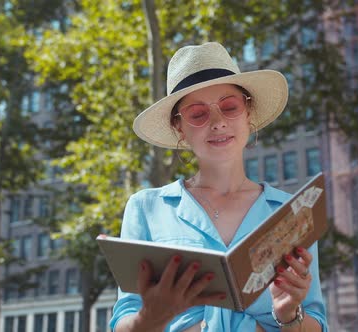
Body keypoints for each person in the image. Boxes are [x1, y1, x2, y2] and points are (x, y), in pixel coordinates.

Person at [109, 42, 328, 332]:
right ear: (179, 128)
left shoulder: (292, 212)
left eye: (229, 107)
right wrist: (152, 317)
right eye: (198, 114)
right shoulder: (147, 208)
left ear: (248, 112)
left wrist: (288, 314)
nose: (218, 122)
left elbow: (317, 322)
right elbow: (123, 321)